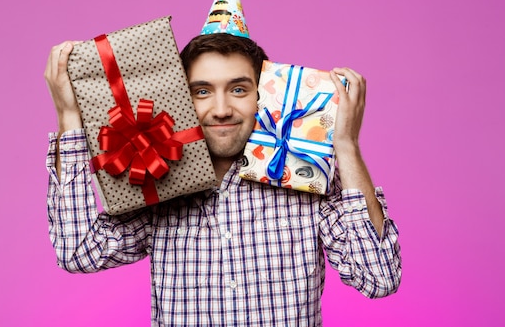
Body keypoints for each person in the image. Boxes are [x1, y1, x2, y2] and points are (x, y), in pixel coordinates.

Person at [44, 31, 401, 327]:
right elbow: (79, 252)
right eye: (202, 91)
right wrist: (70, 119)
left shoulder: (305, 178)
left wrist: (346, 145)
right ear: (182, 99)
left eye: (239, 89)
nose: (220, 109)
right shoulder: (158, 184)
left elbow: (379, 276)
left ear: (262, 96)